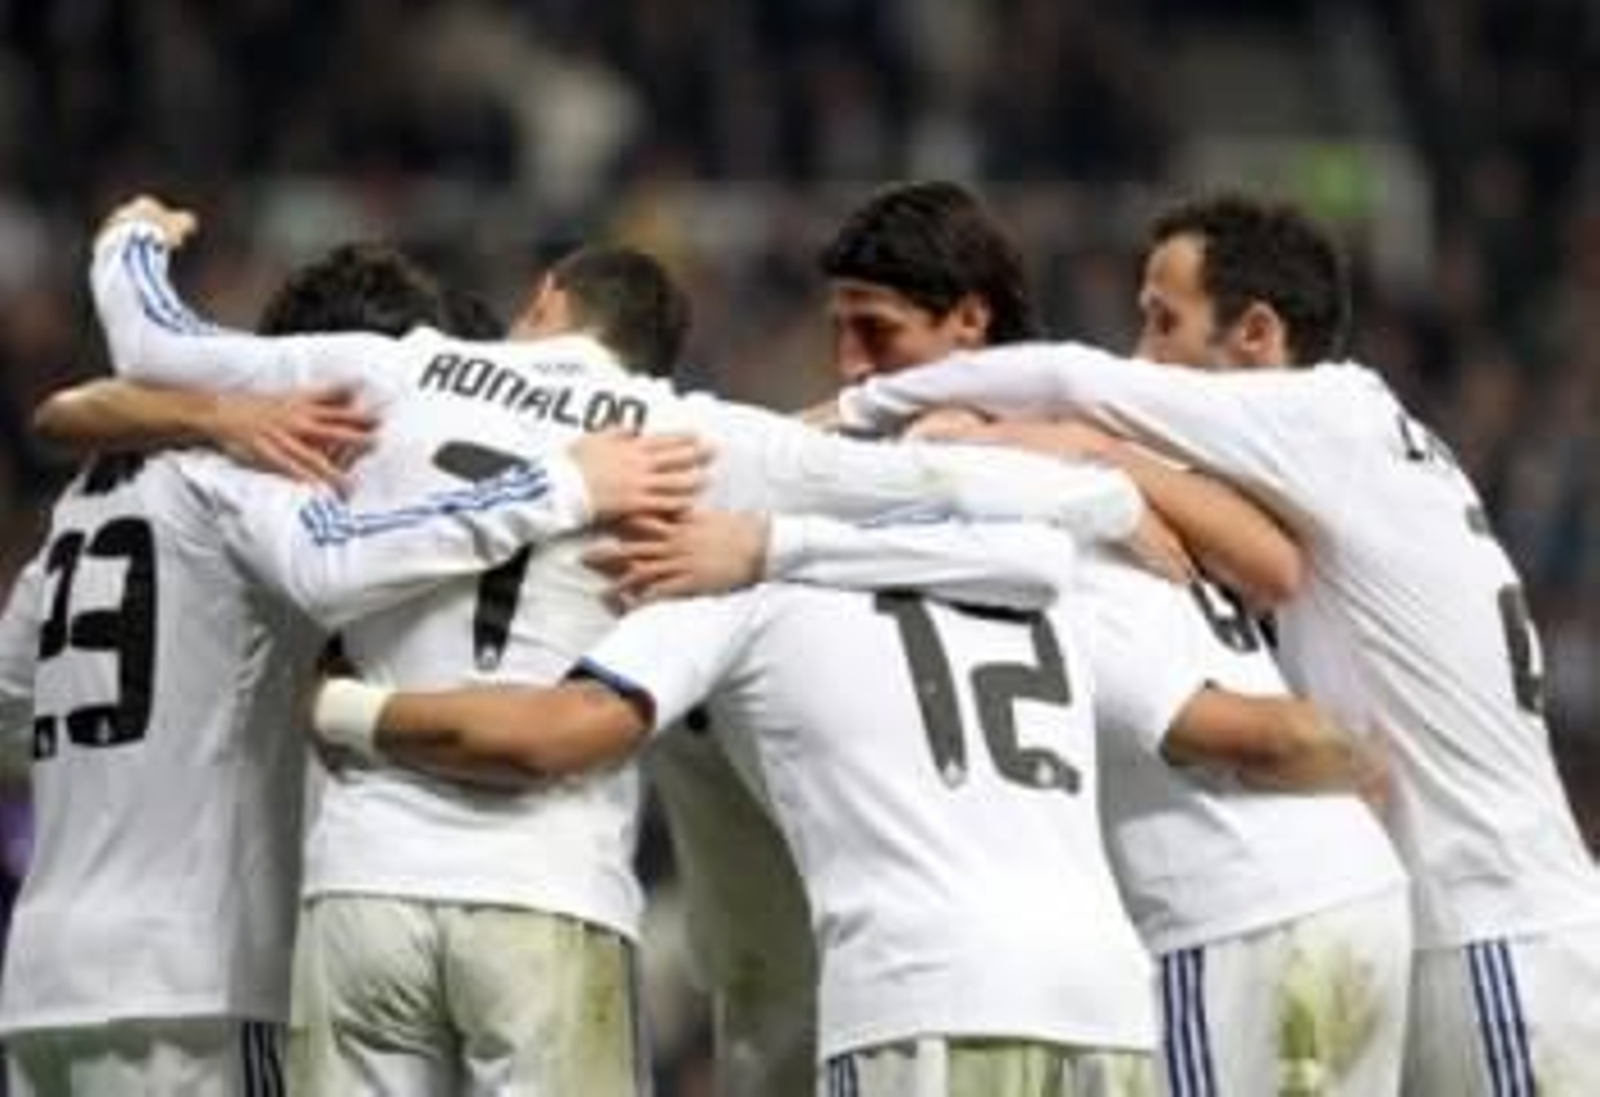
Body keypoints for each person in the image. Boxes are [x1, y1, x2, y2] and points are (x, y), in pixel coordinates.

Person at [82, 195, 1158, 1096]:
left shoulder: (396, 368)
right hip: (548, 885)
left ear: (543, 297)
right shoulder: (689, 434)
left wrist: (130, 236)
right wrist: (1099, 486)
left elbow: (150, 343)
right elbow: (978, 496)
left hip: (362, 882)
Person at [832, 191, 1600, 1096]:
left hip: (1490, 929)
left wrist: (857, 414)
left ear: (1257, 333)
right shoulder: (1351, 452)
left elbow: (1078, 382)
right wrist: (1091, 455)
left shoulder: (1321, 412)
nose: (1142, 355)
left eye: (1164, 323)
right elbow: (1270, 565)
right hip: (1454, 920)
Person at [0, 249, 702, 1097]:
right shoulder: (266, 496)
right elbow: (350, 562)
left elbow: (12, 700)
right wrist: (562, 482)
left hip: (45, 981)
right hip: (204, 975)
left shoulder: (91, 500)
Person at [307, 514, 1165, 1097]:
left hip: (928, 993)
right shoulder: (1030, 582)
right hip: (1114, 999)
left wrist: (330, 707)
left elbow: (553, 734)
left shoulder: (734, 584)